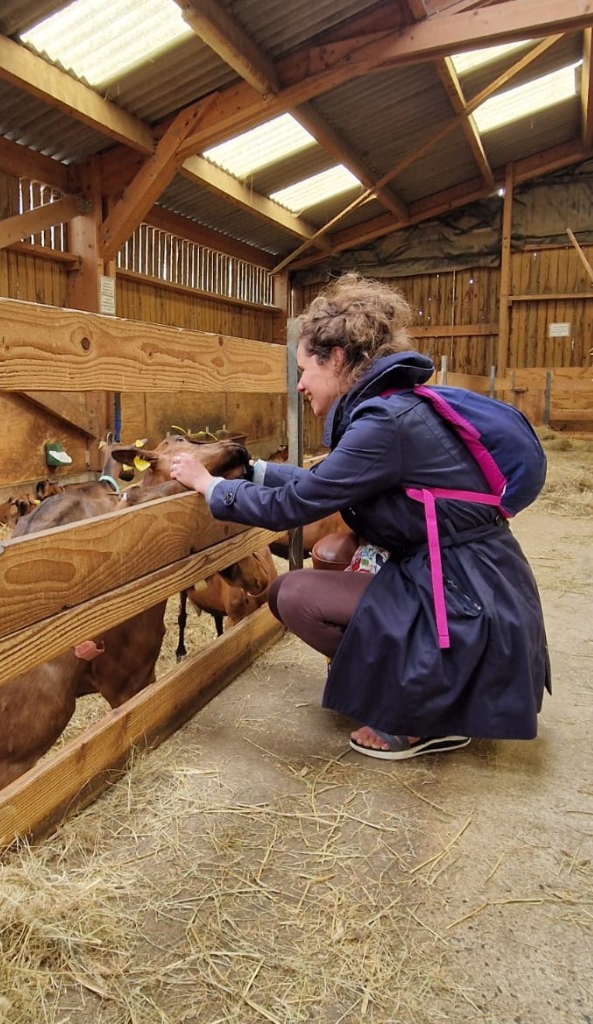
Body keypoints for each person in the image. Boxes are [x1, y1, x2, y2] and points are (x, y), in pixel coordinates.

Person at [169, 273, 550, 761]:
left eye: (304, 369)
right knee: (290, 591)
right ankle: (405, 690)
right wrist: (255, 470)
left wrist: (212, 487)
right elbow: (323, 483)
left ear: (337, 359)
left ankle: (423, 717)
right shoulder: (391, 409)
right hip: (463, 582)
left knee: (295, 593)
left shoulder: (385, 423)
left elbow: (297, 505)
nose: (300, 384)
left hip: (462, 595)